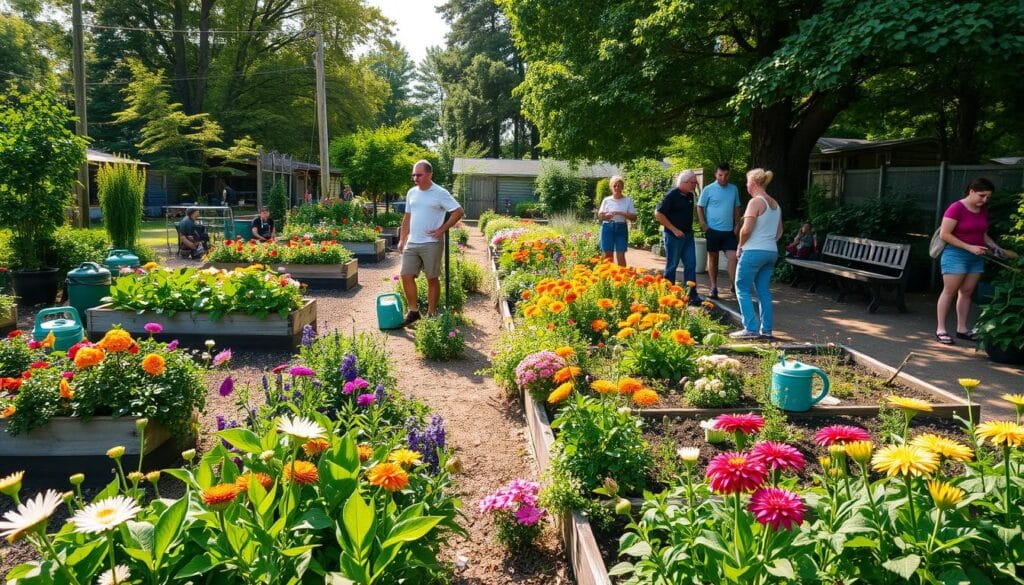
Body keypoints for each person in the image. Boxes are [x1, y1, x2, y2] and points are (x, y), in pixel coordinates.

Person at [934, 177, 1005, 345]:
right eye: (982, 195)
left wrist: (995, 247)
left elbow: (983, 234)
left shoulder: (983, 210)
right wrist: (969, 247)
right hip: (955, 255)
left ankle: (962, 329)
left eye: (988, 197)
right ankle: (941, 329)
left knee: (966, 293)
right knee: (949, 291)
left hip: (976, 257)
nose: (985, 200)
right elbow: (945, 234)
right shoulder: (956, 208)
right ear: (971, 191)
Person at [398, 160, 464, 326]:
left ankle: (431, 314)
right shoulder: (411, 192)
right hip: (412, 242)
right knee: (406, 275)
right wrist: (402, 239)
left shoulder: (440, 193)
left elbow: (458, 211)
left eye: (419, 175)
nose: (415, 178)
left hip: (432, 243)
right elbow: (407, 217)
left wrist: (442, 229)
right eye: (413, 174)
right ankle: (413, 312)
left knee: (432, 278)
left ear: (429, 174)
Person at [731, 168, 783, 339]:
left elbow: (746, 230)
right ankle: (766, 331)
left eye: (747, 182)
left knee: (742, 288)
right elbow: (779, 232)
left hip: (753, 251)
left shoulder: (755, 202)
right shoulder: (775, 204)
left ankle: (751, 329)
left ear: (753, 183)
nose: (746, 185)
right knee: (763, 291)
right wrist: (768, 241)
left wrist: (740, 245)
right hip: (771, 252)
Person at [697, 162, 741, 299]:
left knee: (733, 257)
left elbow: (737, 207)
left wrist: (737, 225)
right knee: (713, 258)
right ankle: (713, 287)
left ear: (729, 175)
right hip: (713, 230)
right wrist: (703, 223)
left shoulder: (733, 189)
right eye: (720, 175)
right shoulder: (708, 189)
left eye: (726, 175)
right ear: (716, 174)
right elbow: (699, 206)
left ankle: (734, 284)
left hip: (729, 232)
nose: (723, 178)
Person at [655, 171, 701, 302]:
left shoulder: (690, 195)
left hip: (688, 235)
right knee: (672, 265)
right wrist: (674, 230)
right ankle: (668, 295)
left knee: (691, 264)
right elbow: (659, 214)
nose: (694, 185)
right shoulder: (671, 195)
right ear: (684, 182)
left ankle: (691, 295)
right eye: (693, 183)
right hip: (673, 236)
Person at [597, 175, 637, 266]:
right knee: (608, 255)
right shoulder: (606, 200)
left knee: (621, 254)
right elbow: (600, 215)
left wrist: (622, 213)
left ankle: (622, 278)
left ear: (622, 187)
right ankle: (608, 278)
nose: (616, 187)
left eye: (619, 185)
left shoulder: (628, 200)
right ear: (611, 187)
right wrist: (607, 215)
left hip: (621, 227)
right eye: (614, 185)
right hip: (607, 227)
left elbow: (634, 218)